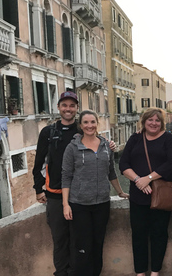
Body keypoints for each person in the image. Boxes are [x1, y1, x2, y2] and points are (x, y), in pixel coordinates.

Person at [33, 91, 116, 276]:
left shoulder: (82, 131)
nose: (68, 109)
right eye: (64, 105)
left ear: (76, 109)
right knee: (60, 239)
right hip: (55, 194)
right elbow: (38, 162)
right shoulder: (48, 132)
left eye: (72, 106)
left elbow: (99, 147)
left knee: (79, 242)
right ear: (59, 108)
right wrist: (38, 189)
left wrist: (110, 145)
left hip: (81, 198)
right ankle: (61, 273)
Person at [61, 110, 128, 276]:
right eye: (86, 122)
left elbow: (111, 172)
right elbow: (66, 176)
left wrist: (120, 192)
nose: (89, 126)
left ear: (97, 124)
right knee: (83, 246)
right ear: (81, 125)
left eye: (92, 122)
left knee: (98, 244)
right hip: (79, 204)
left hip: (102, 204)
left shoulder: (107, 146)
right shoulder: (72, 148)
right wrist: (65, 204)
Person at [119, 108, 172, 276]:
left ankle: (155, 272)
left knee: (159, 235)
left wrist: (149, 178)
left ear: (162, 123)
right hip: (138, 196)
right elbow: (123, 164)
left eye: (157, 120)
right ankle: (140, 272)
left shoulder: (168, 139)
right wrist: (139, 180)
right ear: (144, 122)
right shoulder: (135, 138)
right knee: (138, 236)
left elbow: (171, 162)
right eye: (150, 120)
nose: (154, 123)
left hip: (161, 196)